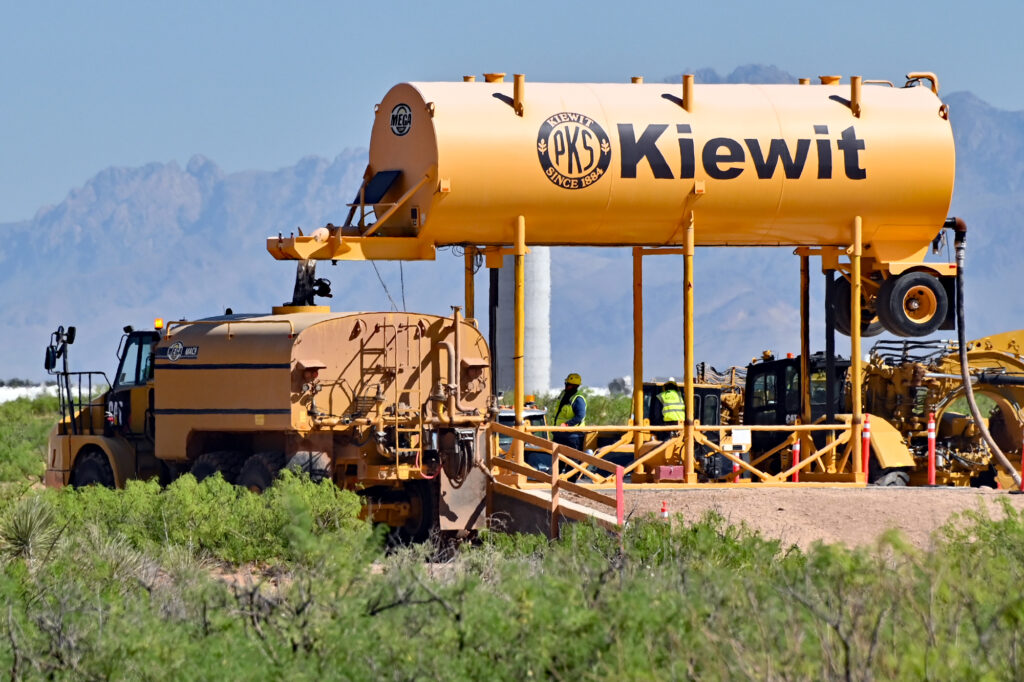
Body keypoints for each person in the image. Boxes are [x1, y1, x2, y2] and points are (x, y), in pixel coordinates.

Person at [552, 372, 587, 451]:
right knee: (558, 462)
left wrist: (567, 424)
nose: (566, 385)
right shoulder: (563, 394)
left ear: (574, 386)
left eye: (567, 384)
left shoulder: (578, 399)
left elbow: (580, 416)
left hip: (572, 437)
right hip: (559, 435)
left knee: (572, 462)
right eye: (566, 383)